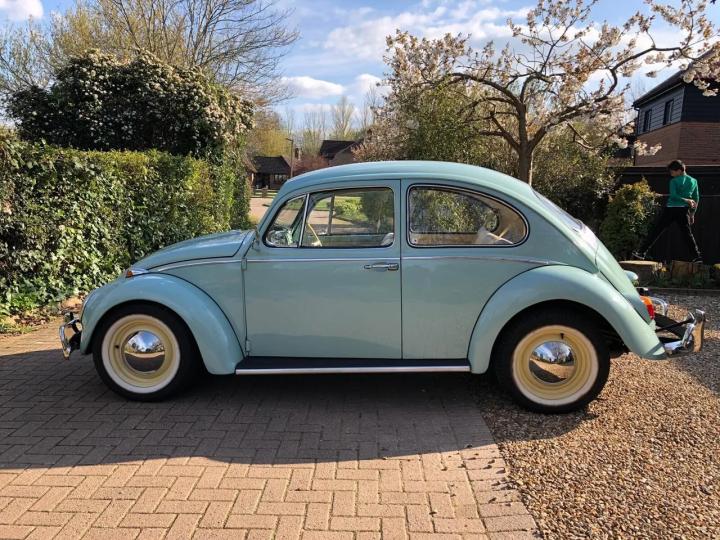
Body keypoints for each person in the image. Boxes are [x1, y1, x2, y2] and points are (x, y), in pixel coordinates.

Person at [633, 160, 702, 263]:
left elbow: (673, 196)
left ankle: (641, 252)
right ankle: (696, 257)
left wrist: (686, 201)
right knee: (687, 234)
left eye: (672, 171)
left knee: (656, 230)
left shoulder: (673, 181)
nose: (671, 174)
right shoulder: (693, 181)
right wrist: (692, 213)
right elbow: (696, 198)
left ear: (679, 170)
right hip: (683, 211)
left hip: (671, 209)